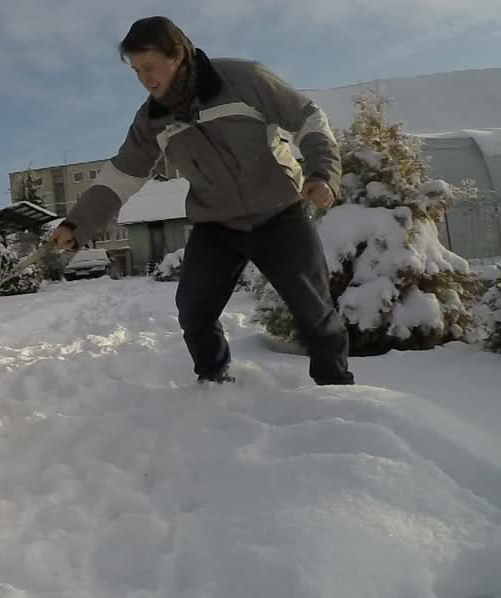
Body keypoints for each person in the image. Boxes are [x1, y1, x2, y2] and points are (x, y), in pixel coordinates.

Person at [53, 16, 355, 386]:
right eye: (136, 70)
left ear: (177, 55)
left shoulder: (244, 79)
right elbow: (120, 177)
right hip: (216, 225)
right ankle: (213, 381)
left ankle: (335, 388)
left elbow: (309, 118)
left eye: (150, 66)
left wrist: (322, 173)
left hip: (279, 213)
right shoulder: (152, 120)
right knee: (194, 309)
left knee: (313, 309)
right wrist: (77, 224)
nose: (145, 79)